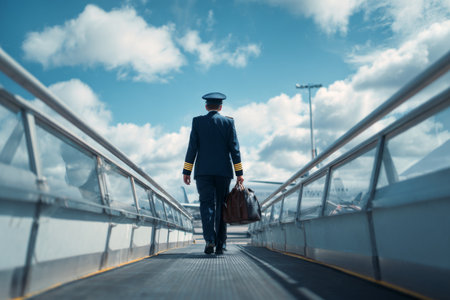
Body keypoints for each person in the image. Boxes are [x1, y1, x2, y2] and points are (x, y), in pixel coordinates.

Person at [182, 92, 244, 255]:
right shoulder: (228, 122)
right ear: (221, 107)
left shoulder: (197, 122)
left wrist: (187, 170)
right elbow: (234, 150)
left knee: (206, 206)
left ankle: (209, 240)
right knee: (222, 207)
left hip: (203, 172)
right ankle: (221, 245)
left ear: (206, 106)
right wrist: (239, 173)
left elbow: (192, 148)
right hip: (223, 172)